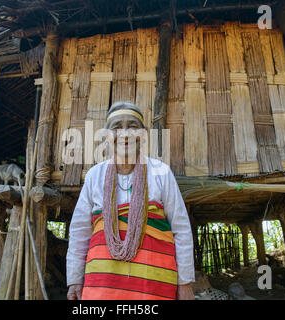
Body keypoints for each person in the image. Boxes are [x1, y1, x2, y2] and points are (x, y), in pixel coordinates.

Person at [66, 101, 195, 300]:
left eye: (133, 127)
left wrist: (185, 283)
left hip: (153, 287)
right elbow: (80, 231)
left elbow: (181, 229)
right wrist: (75, 279)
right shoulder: (94, 176)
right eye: (117, 127)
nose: (125, 134)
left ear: (143, 136)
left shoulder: (160, 172)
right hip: (102, 287)